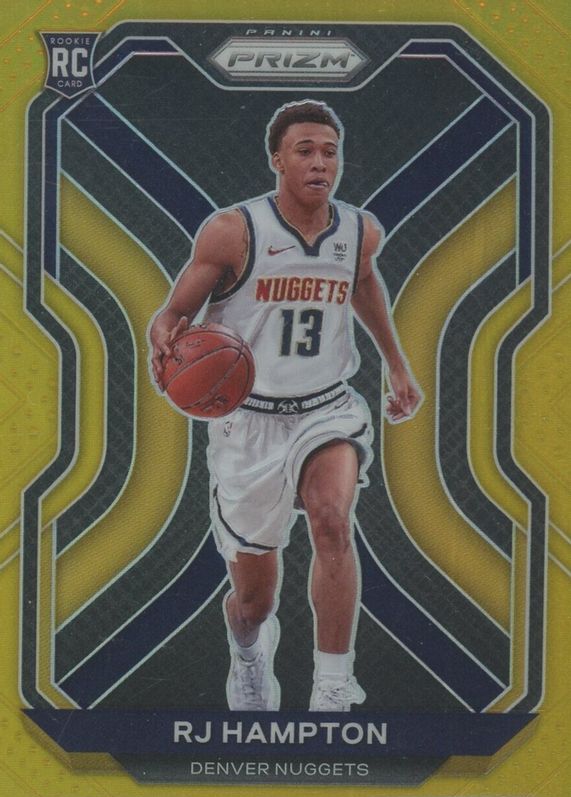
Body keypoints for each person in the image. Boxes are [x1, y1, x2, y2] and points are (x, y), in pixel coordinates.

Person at [150, 100, 422, 713]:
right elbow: (173, 313)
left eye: (330, 151)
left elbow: (361, 281)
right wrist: (163, 340)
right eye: (305, 151)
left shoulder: (359, 231)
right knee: (256, 602)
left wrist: (397, 365)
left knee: (332, 519)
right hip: (249, 421)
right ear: (277, 159)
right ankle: (249, 651)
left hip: (327, 407)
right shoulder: (233, 231)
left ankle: (332, 685)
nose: (320, 162)